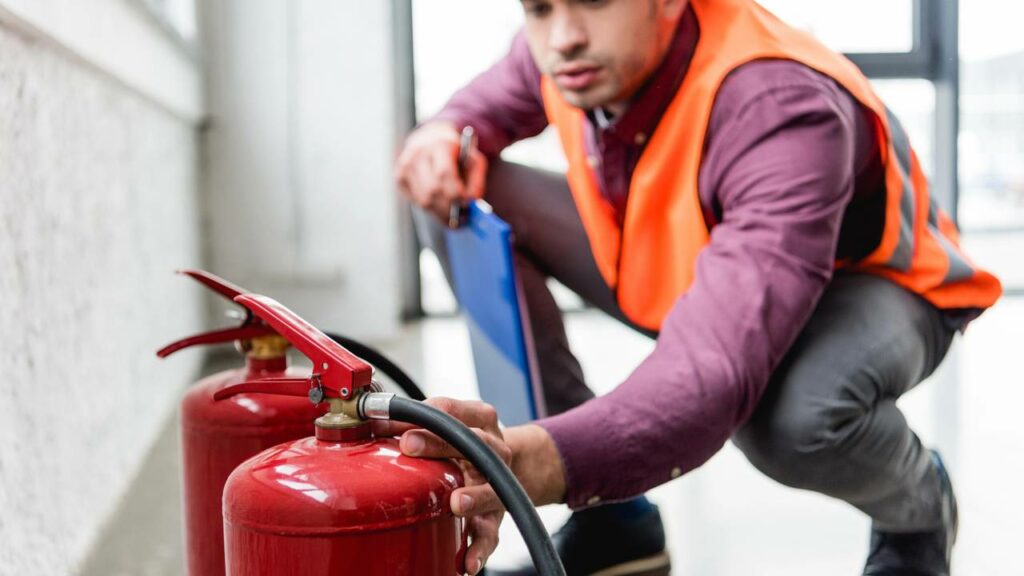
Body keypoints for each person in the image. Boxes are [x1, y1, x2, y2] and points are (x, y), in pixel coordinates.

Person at [391, 1, 1002, 575]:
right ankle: (613, 524)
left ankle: (918, 505)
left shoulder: (780, 103)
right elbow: (485, 102)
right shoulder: (570, 48)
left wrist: (531, 461)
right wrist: (442, 131)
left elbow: (711, 373)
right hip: (707, 263)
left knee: (793, 420)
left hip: (880, 283)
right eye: (539, 7)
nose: (562, 36)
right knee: (447, 185)